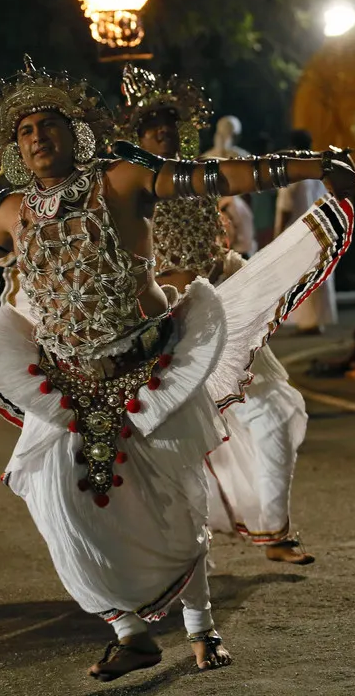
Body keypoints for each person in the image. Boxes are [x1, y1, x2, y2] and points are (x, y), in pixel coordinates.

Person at [0, 55, 355, 681]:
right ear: (16, 148)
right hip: (68, 381)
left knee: (176, 497)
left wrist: (308, 166)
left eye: (49, 125)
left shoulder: (121, 178)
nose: (38, 137)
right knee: (56, 498)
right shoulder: (12, 212)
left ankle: (201, 626)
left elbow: (208, 177)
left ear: (76, 132)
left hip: (152, 364)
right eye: (26, 131)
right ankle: (128, 629)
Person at [116, 65, 311, 564]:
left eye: (170, 119)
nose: (163, 127)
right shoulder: (124, 188)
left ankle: (275, 527)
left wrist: (311, 165)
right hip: (165, 326)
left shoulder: (199, 176)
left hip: (223, 305)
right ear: (136, 131)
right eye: (153, 119)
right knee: (165, 442)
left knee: (272, 408)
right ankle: (171, 549)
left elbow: (249, 177)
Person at [275, 129, 337, 335]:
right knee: (318, 274)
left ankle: (308, 322)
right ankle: (317, 320)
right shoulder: (320, 167)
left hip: (299, 229)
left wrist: (278, 233)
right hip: (321, 226)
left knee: (301, 276)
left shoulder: (293, 170)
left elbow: (286, 205)